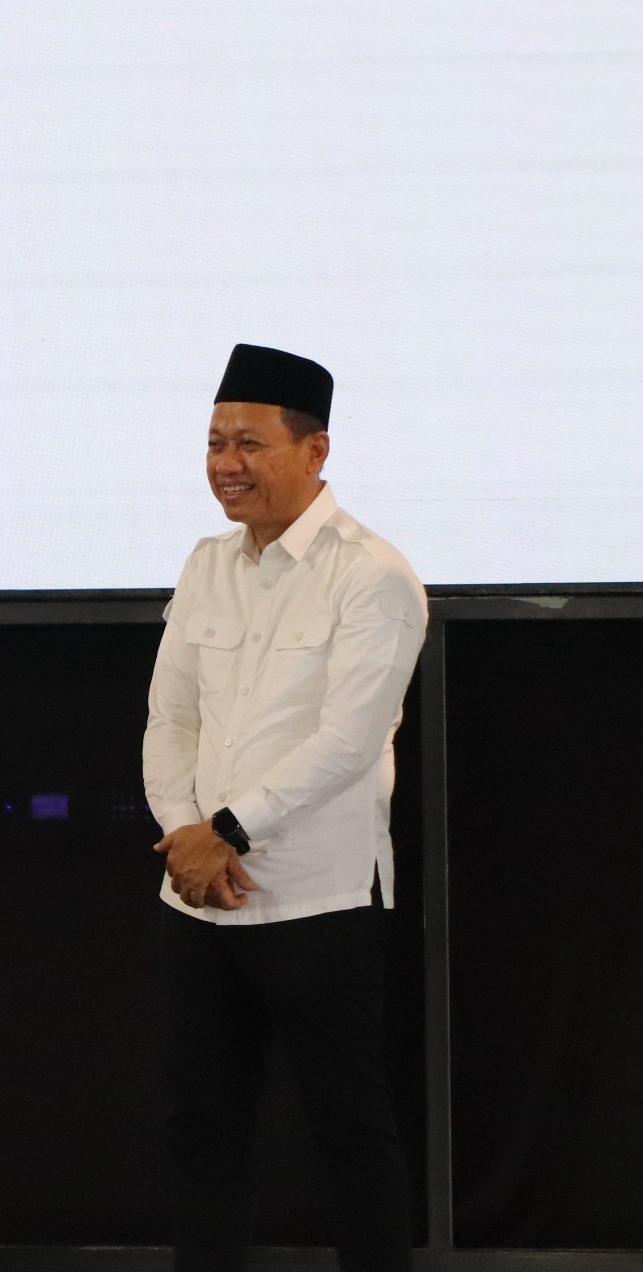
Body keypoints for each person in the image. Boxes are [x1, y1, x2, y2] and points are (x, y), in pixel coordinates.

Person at [143, 344, 427, 1271]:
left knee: (349, 1131)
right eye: (214, 443)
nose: (226, 464)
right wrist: (185, 837)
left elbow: (349, 740)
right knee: (201, 1128)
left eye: (249, 444)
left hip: (318, 898)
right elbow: (168, 718)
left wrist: (224, 833)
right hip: (198, 898)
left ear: (315, 450)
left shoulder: (372, 574)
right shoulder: (204, 564)